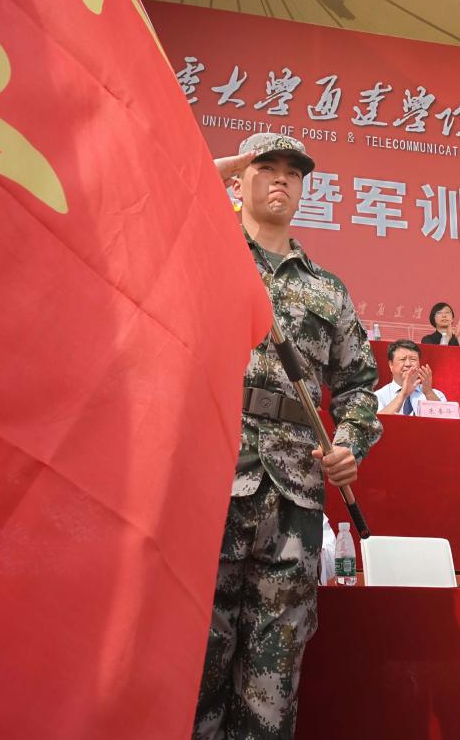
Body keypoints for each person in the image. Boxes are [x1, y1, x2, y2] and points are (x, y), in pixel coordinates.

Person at [199, 133, 382, 737]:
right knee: (196, 654)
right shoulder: (205, 254)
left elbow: (359, 387)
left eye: (293, 172)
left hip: (294, 493)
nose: (281, 179)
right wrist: (204, 177)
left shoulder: (327, 289)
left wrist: (350, 443)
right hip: (209, 478)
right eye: (267, 167)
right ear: (239, 180)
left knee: (275, 666)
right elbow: (143, 218)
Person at [374, 339, 448, 415]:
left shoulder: (435, 393)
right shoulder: (378, 396)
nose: (408, 364)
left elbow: (445, 418)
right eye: (402, 359)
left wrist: (428, 393)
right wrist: (403, 394)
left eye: (413, 359)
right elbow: (377, 420)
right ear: (391, 365)